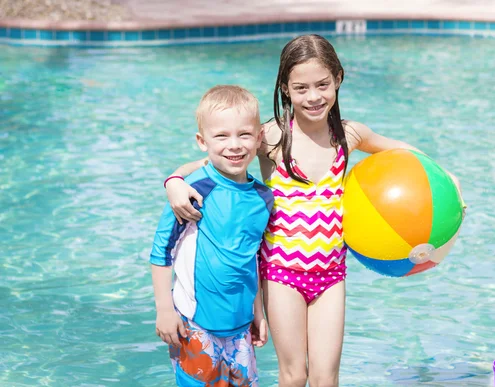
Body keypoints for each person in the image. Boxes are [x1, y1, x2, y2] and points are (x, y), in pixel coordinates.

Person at [164, 35, 463, 387]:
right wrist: (173, 181)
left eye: (322, 84)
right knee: (294, 376)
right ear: (286, 89)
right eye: (301, 87)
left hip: (331, 275)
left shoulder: (349, 135)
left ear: (338, 77)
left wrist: (448, 181)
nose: (314, 96)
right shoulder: (272, 137)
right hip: (281, 273)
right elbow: (211, 162)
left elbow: (405, 154)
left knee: (326, 378)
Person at [150, 85, 273, 386]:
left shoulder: (263, 198)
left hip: (241, 325)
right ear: (202, 142)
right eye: (222, 136)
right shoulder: (192, 190)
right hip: (194, 324)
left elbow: (252, 258)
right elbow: (161, 252)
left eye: (244, 135)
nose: (234, 145)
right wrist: (164, 310)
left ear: (258, 138)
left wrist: (259, 312)